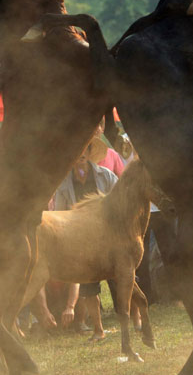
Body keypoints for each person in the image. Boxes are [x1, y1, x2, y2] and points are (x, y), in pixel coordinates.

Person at [54, 139, 118, 340]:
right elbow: (59, 214)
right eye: (77, 149)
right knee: (89, 285)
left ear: (90, 152)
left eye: (84, 148)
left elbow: (120, 202)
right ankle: (98, 329)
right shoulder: (64, 184)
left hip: (109, 236)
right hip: (82, 239)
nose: (81, 153)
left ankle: (136, 319)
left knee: (124, 278)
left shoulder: (106, 176)